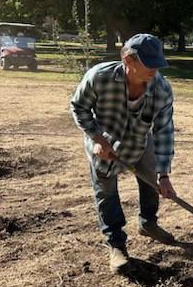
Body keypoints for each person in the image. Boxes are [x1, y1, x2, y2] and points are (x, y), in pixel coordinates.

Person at [71, 33, 178, 273]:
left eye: (158, 63)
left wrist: (164, 175)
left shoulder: (161, 90)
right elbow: (79, 106)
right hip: (104, 145)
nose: (156, 70)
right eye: (150, 64)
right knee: (106, 192)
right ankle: (116, 245)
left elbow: (164, 132)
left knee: (151, 181)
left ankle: (148, 223)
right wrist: (97, 137)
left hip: (140, 141)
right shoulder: (99, 77)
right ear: (129, 61)